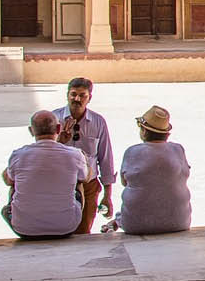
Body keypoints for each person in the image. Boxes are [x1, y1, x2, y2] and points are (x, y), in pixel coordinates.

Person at [1, 111, 90, 239]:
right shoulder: (75, 155)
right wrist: (84, 159)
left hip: (24, 229)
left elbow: (8, 180)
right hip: (65, 227)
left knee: (14, 184)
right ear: (58, 128)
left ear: (31, 131)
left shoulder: (18, 155)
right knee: (79, 182)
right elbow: (86, 178)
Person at [49, 77, 116, 235]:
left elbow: (106, 159)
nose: (77, 99)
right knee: (58, 231)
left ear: (89, 98)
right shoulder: (53, 118)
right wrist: (59, 141)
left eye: (82, 95)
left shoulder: (98, 122)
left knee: (83, 232)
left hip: (88, 186)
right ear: (67, 95)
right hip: (59, 185)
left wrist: (107, 196)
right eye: (73, 94)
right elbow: (43, 153)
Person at [117, 106, 192, 236]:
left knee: (123, 212)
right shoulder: (178, 149)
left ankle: (116, 221)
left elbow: (124, 182)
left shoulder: (132, 152)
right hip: (179, 223)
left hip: (136, 225)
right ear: (167, 134)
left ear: (144, 131)